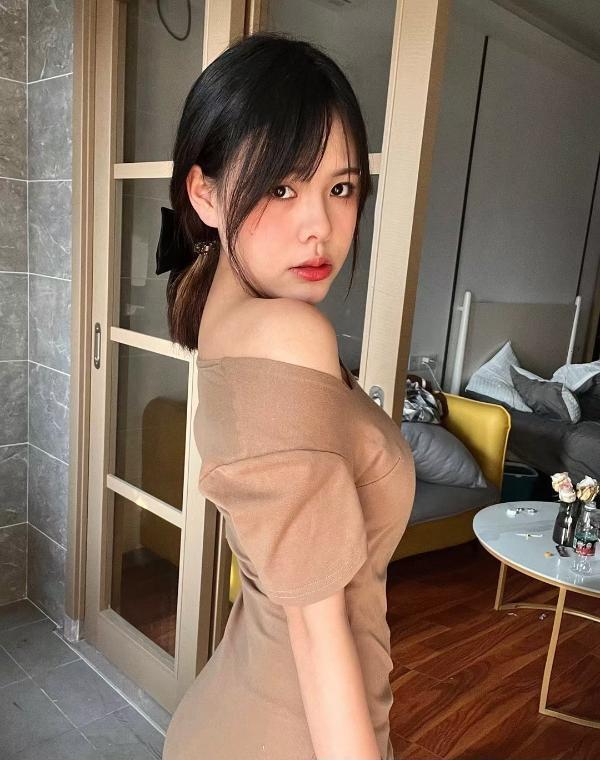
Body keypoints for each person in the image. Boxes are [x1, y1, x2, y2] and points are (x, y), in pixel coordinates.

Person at [159, 31, 415, 760]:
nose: (320, 226)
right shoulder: (287, 334)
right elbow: (314, 625)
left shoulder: (220, 313)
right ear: (205, 193)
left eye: (341, 188)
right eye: (281, 187)